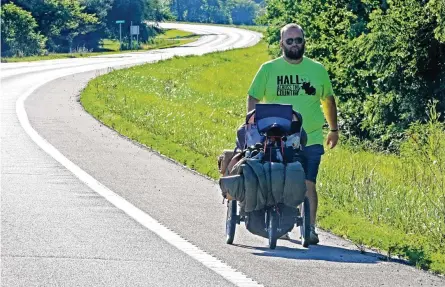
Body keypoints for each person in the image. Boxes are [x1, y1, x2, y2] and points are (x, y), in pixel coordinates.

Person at [246, 23, 339, 244]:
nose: (295, 45)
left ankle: (310, 228)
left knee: (308, 182)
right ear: (281, 44)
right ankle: (281, 224)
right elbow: (253, 97)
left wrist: (334, 129)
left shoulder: (317, 69)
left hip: (311, 136)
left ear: (304, 42)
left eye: (299, 40)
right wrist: (252, 124)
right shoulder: (268, 69)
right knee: (278, 181)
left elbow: (328, 100)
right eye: (290, 41)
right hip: (276, 138)